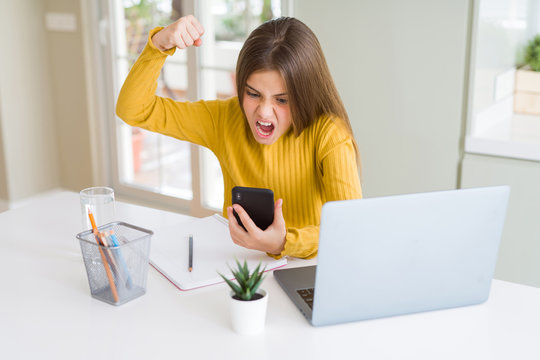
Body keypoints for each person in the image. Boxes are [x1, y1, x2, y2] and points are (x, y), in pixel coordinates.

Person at [116, 15, 362, 259]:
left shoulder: (329, 134)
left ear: (305, 94)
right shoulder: (225, 118)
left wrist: (284, 242)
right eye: (253, 94)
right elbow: (134, 109)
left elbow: (350, 228)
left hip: (306, 269)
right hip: (237, 263)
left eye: (282, 100)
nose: (264, 112)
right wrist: (158, 46)